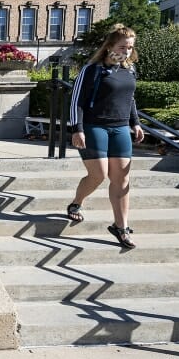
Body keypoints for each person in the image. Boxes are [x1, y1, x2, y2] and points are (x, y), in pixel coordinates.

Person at [66, 23, 145, 249]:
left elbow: (130, 99)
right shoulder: (92, 69)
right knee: (98, 175)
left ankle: (121, 227)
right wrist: (77, 128)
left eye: (130, 47)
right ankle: (76, 203)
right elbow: (77, 100)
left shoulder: (129, 70)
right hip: (94, 126)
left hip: (120, 128)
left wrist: (136, 123)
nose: (126, 51)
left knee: (122, 179)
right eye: (122, 47)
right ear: (110, 46)